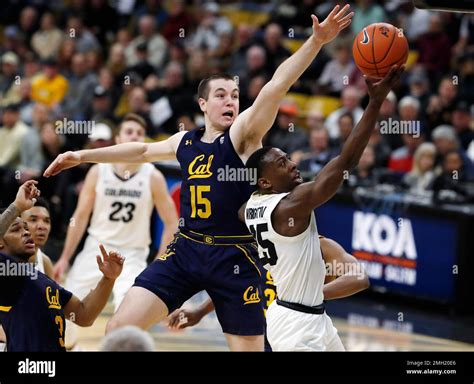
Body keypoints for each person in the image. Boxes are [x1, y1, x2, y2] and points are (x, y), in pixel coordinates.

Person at [44, 5, 354, 351]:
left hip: (234, 256)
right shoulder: (185, 141)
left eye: (235, 96)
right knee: (118, 328)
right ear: (203, 104)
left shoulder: (243, 136)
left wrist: (314, 42)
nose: (230, 101)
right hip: (186, 249)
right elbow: (142, 152)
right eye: (221, 95)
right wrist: (83, 156)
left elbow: (275, 86)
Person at [238, 66, 402, 350]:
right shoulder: (289, 206)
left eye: (289, 158)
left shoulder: (250, 207)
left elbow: (241, 209)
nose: (292, 165)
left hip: (309, 316)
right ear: (265, 181)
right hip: (295, 323)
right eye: (282, 164)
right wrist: (374, 103)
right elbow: (345, 162)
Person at [53, 113, 178, 312]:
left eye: (139, 133)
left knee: (128, 314)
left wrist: (159, 262)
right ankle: (70, 343)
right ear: (118, 140)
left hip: (133, 254)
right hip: (96, 247)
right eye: (129, 132)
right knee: (67, 309)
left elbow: (172, 222)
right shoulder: (98, 172)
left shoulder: (153, 176)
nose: (134, 136)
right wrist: (65, 257)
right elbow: (80, 216)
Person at [0, 181, 124, 351]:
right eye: (16, 229)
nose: (27, 231)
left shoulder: (41, 278)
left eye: (26, 227)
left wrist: (108, 278)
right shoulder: (7, 273)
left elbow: (84, 314)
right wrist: (16, 206)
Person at [167, 236, 369, 339]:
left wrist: (312, 293)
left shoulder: (321, 246)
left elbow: (359, 277)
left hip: (300, 334)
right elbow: (239, 284)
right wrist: (201, 311)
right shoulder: (259, 245)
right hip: (260, 335)